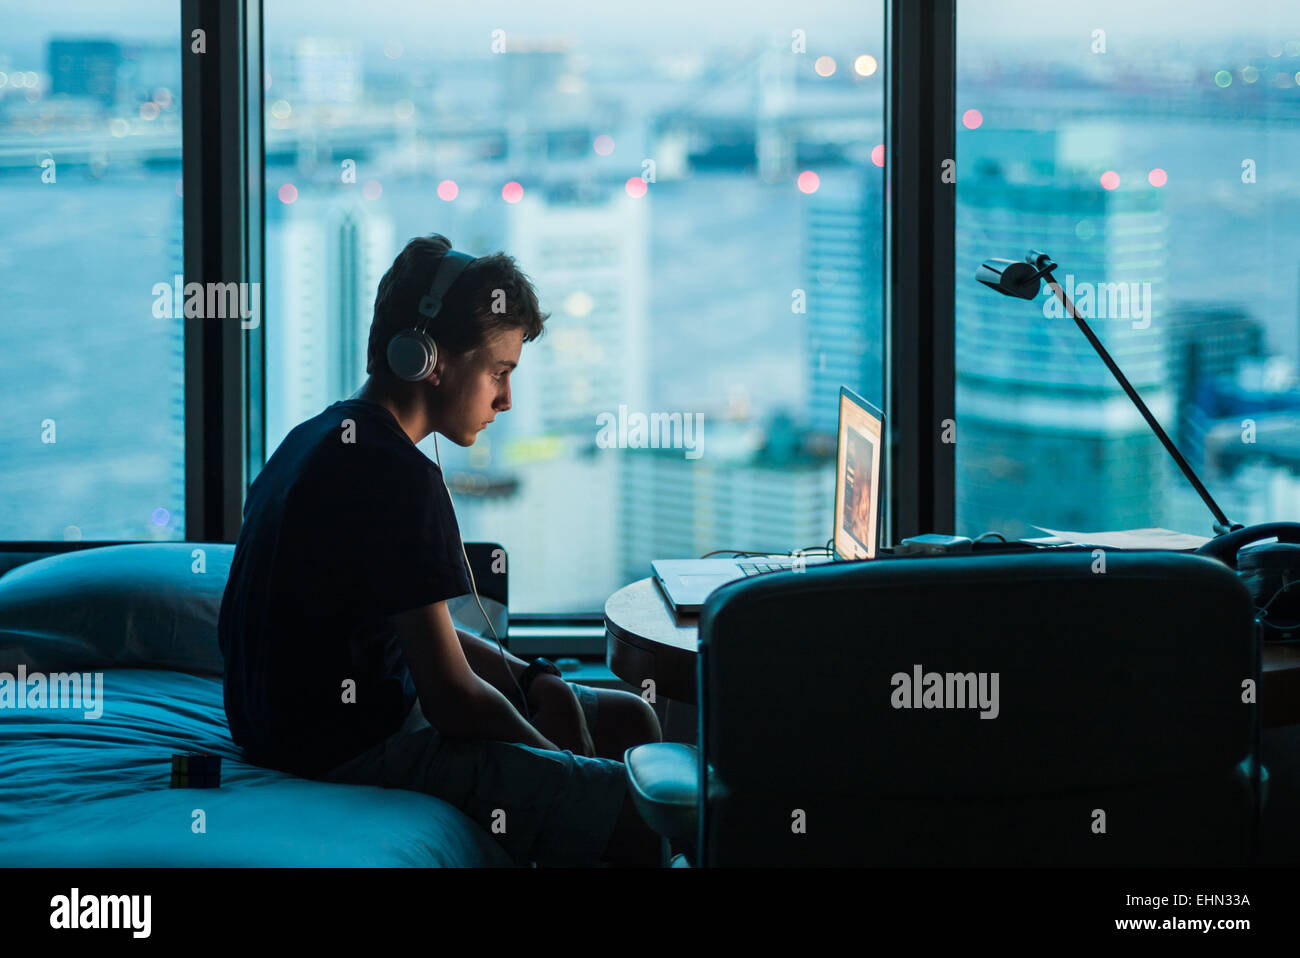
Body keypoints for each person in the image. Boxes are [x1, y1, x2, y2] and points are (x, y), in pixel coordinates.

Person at [218, 233, 664, 866]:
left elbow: (413, 634)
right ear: (429, 358)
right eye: (499, 374)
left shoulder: (316, 436)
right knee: (630, 807)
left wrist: (533, 679)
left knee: (628, 721)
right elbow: (451, 698)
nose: (505, 401)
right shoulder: (397, 474)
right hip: (340, 748)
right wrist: (551, 757)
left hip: (278, 729)